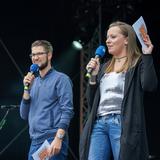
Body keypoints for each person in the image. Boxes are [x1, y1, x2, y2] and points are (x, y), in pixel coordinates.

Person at [79, 21, 158, 160]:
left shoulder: (137, 63)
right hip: (99, 123)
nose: (107, 41)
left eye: (113, 37)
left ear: (126, 40)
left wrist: (147, 55)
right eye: (107, 37)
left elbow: (149, 85)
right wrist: (93, 78)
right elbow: (91, 103)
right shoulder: (104, 67)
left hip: (122, 122)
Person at [20, 40, 74, 160]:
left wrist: (58, 138)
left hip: (51, 139)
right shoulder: (33, 82)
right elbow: (24, 115)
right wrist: (26, 90)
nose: (35, 58)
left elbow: (67, 111)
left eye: (39, 54)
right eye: (33, 55)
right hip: (34, 142)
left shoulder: (61, 79)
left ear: (49, 55)